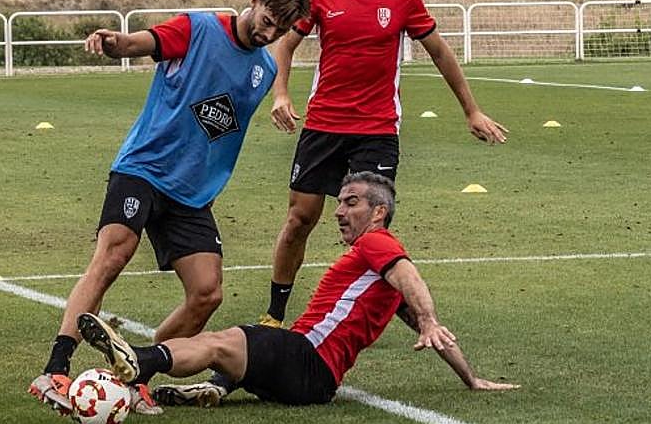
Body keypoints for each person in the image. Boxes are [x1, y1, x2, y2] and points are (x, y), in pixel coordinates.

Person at [28, 0, 311, 415]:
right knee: (114, 255)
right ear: (254, 0)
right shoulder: (197, 28)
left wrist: (210, 184)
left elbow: (221, 133)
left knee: (207, 292)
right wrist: (115, 43)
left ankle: (137, 373)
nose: (269, 33)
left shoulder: (264, 70)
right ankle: (56, 370)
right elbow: (141, 42)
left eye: (280, 29)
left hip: (192, 196)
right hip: (143, 168)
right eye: (268, 20)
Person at [76, 172, 517, 408]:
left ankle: (142, 360)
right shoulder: (376, 269)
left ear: (379, 212)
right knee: (239, 348)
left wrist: (429, 319)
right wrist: (470, 378)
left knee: (222, 341)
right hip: (312, 376)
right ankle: (216, 387)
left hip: (308, 360)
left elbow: (410, 277)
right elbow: (422, 316)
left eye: (351, 202)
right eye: (339, 202)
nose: (339, 211)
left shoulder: (378, 243)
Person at [261, 0, 508, 328]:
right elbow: (285, 45)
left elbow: (440, 52)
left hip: (376, 130)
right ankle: (274, 314)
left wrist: (472, 110)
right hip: (323, 125)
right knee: (299, 220)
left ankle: (383, 311)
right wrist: (281, 93)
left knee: (370, 228)